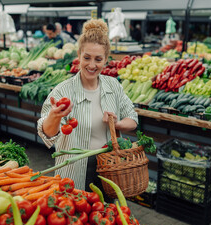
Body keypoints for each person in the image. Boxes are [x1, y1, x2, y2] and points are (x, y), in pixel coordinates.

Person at [37, 19, 138, 199]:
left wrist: (118, 124)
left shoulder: (113, 86)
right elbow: (46, 134)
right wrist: (54, 116)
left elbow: (133, 119)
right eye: (87, 58)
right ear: (79, 55)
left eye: (98, 59)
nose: (92, 65)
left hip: (108, 170)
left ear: (106, 60)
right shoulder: (63, 90)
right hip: (74, 170)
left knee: (106, 218)